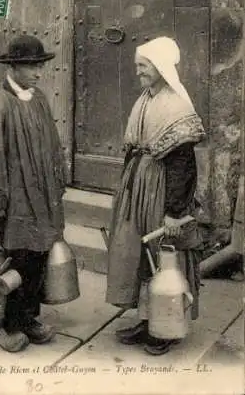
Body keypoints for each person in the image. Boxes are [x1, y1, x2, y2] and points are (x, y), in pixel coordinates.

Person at [106, 36, 206, 355]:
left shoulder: (175, 105)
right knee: (140, 255)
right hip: (140, 186)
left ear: (161, 67)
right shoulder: (148, 98)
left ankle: (166, 327)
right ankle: (147, 319)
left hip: (161, 191)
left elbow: (183, 166)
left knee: (163, 257)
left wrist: (175, 211)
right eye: (137, 66)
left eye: (144, 66)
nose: (138, 72)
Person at [0, 35, 66, 352]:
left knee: (36, 259)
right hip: (13, 202)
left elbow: (52, 147)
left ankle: (27, 318)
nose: (39, 72)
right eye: (32, 66)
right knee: (14, 262)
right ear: (13, 66)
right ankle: (5, 324)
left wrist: (56, 187)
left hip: (39, 199)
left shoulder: (37, 99)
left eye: (41, 65)